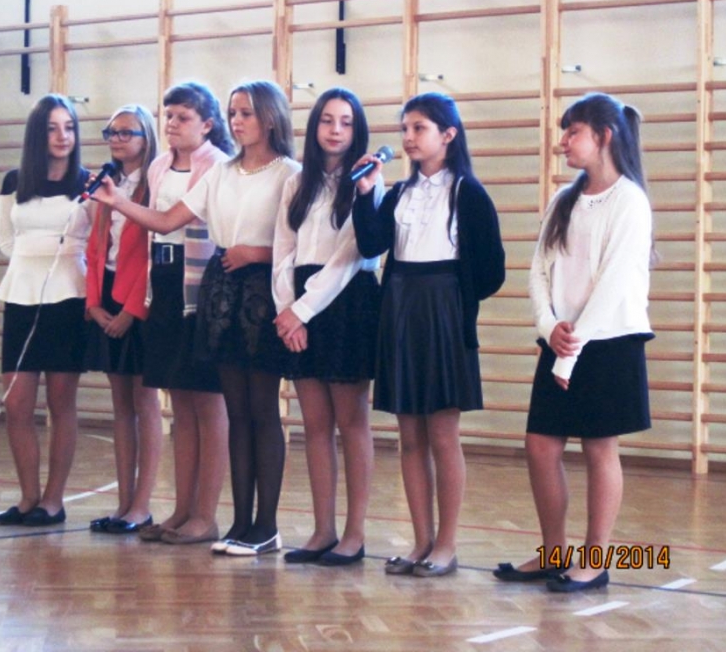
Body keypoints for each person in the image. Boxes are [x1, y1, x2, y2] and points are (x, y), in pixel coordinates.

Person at [91, 80, 300, 556]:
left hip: (250, 290)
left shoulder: (288, 173)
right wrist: (117, 201)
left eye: (246, 112)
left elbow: (296, 244)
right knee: (208, 406)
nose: (237, 121)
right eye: (234, 112)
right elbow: (167, 222)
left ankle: (247, 521)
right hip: (204, 289)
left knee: (249, 409)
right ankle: (216, 517)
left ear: (270, 118)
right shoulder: (220, 172)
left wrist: (255, 254)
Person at [493, 93, 654, 592]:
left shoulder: (630, 201)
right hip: (562, 340)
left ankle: (595, 560)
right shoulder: (563, 200)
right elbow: (539, 272)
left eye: (573, 131)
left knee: (599, 448)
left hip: (608, 342)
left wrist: (571, 349)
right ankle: (554, 553)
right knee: (540, 446)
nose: (563, 141)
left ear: (603, 136)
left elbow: (613, 285)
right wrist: (549, 329)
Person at [352, 92, 505, 576]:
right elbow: (371, 244)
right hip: (399, 307)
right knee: (409, 434)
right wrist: (365, 194)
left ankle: (447, 544)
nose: (408, 137)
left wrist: (454, 302)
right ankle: (421, 540)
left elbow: (492, 270)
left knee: (442, 433)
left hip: (442, 312)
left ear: (448, 135)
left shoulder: (468, 193)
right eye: (405, 128)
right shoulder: (398, 193)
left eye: (419, 128)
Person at [272, 87, 382, 566]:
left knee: (351, 422)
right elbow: (283, 251)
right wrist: (287, 310)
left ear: (357, 131)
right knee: (315, 424)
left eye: (346, 122)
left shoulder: (367, 181)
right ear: (314, 126)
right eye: (327, 120)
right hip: (299, 305)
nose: (336, 130)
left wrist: (303, 310)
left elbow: (350, 256)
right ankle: (322, 530)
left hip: (347, 302)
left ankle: (354, 535)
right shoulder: (297, 182)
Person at [135, 83, 234, 545]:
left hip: (201, 286)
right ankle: (182, 508)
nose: (172, 124)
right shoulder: (158, 165)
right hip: (164, 282)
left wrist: (117, 202)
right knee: (179, 401)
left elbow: (175, 220)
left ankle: (206, 514)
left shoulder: (217, 165)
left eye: (183, 117)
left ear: (207, 124)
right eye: (169, 116)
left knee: (207, 402)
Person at [0, 94, 92, 527]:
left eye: (69, 127)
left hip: (68, 298)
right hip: (21, 296)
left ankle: (54, 500)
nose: (62, 136)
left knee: (60, 402)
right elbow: (6, 240)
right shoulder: (14, 181)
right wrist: (31, 265)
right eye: (52, 128)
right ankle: (28, 497)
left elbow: (95, 242)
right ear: (38, 134)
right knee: (17, 403)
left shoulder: (89, 183)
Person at [85, 104, 164, 534]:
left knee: (145, 403)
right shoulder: (105, 183)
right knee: (120, 406)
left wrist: (133, 310)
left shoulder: (155, 185)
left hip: (142, 301)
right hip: (108, 296)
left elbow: (151, 254)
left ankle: (142, 506)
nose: (116, 139)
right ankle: (122, 504)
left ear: (146, 137)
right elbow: (95, 247)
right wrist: (93, 304)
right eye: (111, 132)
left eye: (126, 132)